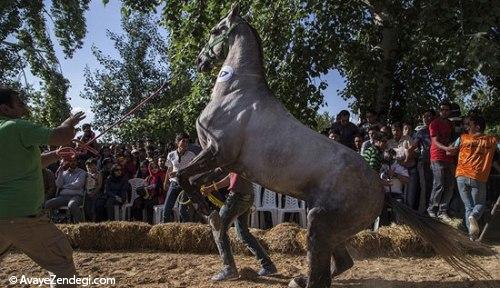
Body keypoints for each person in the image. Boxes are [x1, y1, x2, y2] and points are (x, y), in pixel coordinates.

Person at [0, 87, 85, 286]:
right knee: (60, 262)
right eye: (17, 100)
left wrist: (56, 155)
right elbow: (62, 135)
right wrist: (70, 121)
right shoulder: (16, 126)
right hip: (21, 214)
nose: (22, 101)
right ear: (5, 108)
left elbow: (28, 163)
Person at [201, 172, 277, 281]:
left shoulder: (235, 156)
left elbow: (227, 173)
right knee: (243, 233)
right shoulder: (241, 158)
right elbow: (231, 176)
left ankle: (229, 269)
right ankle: (268, 266)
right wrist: (211, 188)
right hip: (247, 195)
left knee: (219, 230)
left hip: (237, 196)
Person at [448, 115, 500, 240]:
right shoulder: (492, 140)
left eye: (469, 125)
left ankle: (471, 238)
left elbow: (449, 151)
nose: (467, 128)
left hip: (461, 175)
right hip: (478, 177)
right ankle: (474, 218)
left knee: (468, 207)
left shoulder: (463, 138)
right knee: (480, 205)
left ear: (477, 127)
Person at [427, 101, 455, 221]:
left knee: (450, 184)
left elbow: (451, 139)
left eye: (446, 109)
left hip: (449, 157)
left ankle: (442, 211)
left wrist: (451, 148)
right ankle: (431, 209)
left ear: (449, 111)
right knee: (439, 184)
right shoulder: (434, 123)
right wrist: (446, 148)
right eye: (442, 109)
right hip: (437, 156)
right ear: (439, 111)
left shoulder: (450, 124)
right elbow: (435, 141)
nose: (444, 111)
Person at [163, 133, 197, 222]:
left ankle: (189, 229)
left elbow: (192, 170)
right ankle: (163, 230)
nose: (185, 144)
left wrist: (178, 173)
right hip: (174, 184)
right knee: (166, 210)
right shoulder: (171, 155)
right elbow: (169, 169)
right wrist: (165, 182)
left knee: (182, 210)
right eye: (183, 141)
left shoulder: (191, 155)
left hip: (186, 184)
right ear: (177, 142)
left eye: (187, 142)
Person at [45, 158, 87, 223]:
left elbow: (78, 185)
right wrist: (60, 172)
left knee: (72, 205)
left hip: (76, 196)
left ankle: (81, 224)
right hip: (63, 197)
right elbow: (58, 185)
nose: (72, 163)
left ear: (77, 162)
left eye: (74, 161)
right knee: (47, 204)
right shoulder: (64, 173)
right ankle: (50, 223)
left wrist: (64, 186)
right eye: (70, 161)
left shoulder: (82, 172)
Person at [412, 109, 436, 213]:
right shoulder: (420, 132)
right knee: (425, 186)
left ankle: (432, 209)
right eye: (424, 116)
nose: (426, 119)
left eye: (429, 116)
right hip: (424, 162)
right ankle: (424, 211)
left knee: (435, 186)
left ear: (434, 117)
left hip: (437, 161)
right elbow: (414, 146)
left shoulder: (437, 129)